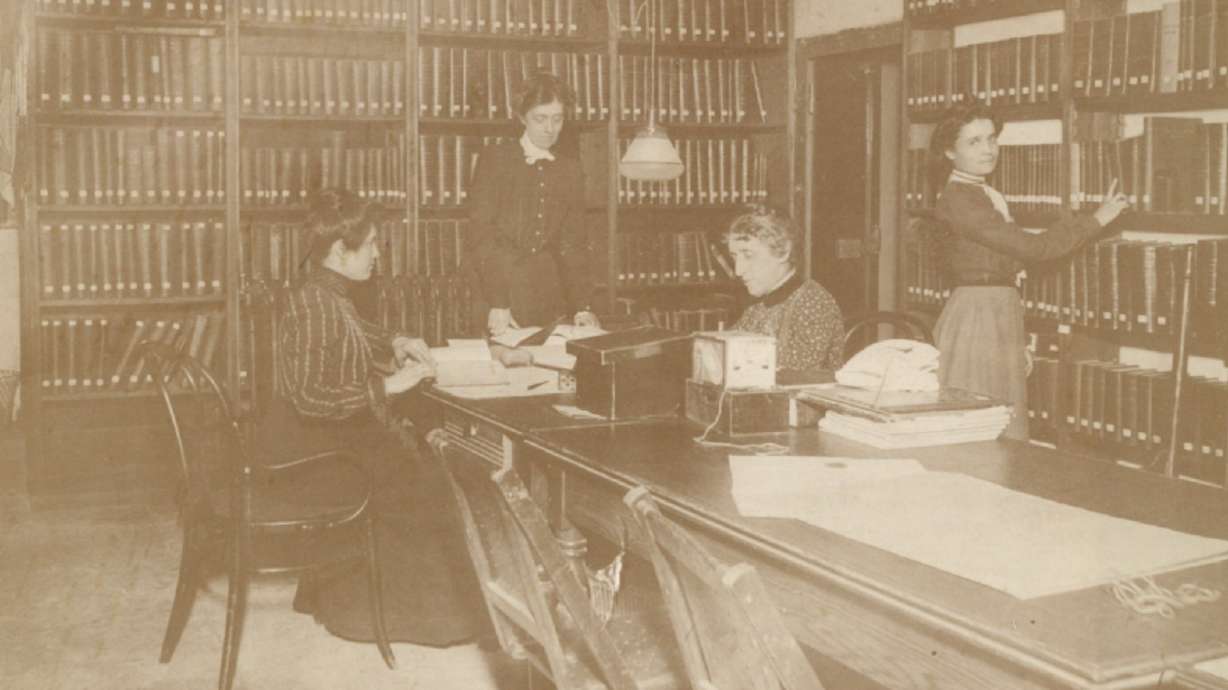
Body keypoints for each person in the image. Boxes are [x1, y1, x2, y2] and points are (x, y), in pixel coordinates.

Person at [254, 189, 487, 647]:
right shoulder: (315, 302)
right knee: (435, 482)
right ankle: (422, 616)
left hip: (327, 437)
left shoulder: (324, 290)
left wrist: (395, 341)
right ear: (341, 250)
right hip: (319, 452)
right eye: (373, 244)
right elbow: (309, 398)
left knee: (423, 462)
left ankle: (350, 595)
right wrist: (388, 386)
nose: (379, 254)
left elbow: (351, 329)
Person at [928, 104, 1129, 440]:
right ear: (950, 151)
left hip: (996, 309)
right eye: (974, 142)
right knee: (978, 425)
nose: (988, 149)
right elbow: (1035, 250)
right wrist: (1098, 219)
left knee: (996, 419)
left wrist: (1018, 338)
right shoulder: (960, 198)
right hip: (979, 315)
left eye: (991, 138)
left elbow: (1005, 265)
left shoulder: (980, 192)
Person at [466, 71, 600, 336]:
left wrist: (582, 306)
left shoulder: (570, 169)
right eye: (540, 119)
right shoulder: (496, 159)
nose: (550, 129)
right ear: (522, 118)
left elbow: (572, 243)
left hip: (546, 293)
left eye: (557, 119)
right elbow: (482, 236)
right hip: (495, 289)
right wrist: (499, 301)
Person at [725, 205, 845, 374]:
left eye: (748, 255)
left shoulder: (812, 304)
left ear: (783, 252)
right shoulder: (758, 305)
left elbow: (790, 379)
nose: (738, 270)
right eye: (734, 256)